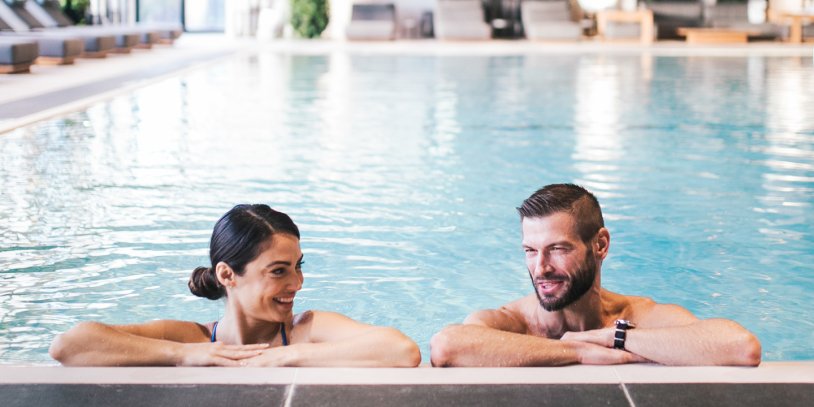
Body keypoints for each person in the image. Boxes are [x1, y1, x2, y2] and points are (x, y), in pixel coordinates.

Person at [430, 184, 761, 367]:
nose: (540, 268)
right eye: (530, 251)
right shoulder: (512, 321)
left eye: (558, 249)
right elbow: (447, 345)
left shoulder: (635, 315)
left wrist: (609, 337)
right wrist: (577, 351)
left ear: (600, 245)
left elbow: (740, 347)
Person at [50, 204, 421, 367]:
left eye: (298, 266)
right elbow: (69, 345)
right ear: (228, 275)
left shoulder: (307, 331)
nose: (297, 283)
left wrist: (286, 356)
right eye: (279, 271)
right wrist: (181, 355)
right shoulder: (190, 339)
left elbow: (401, 350)